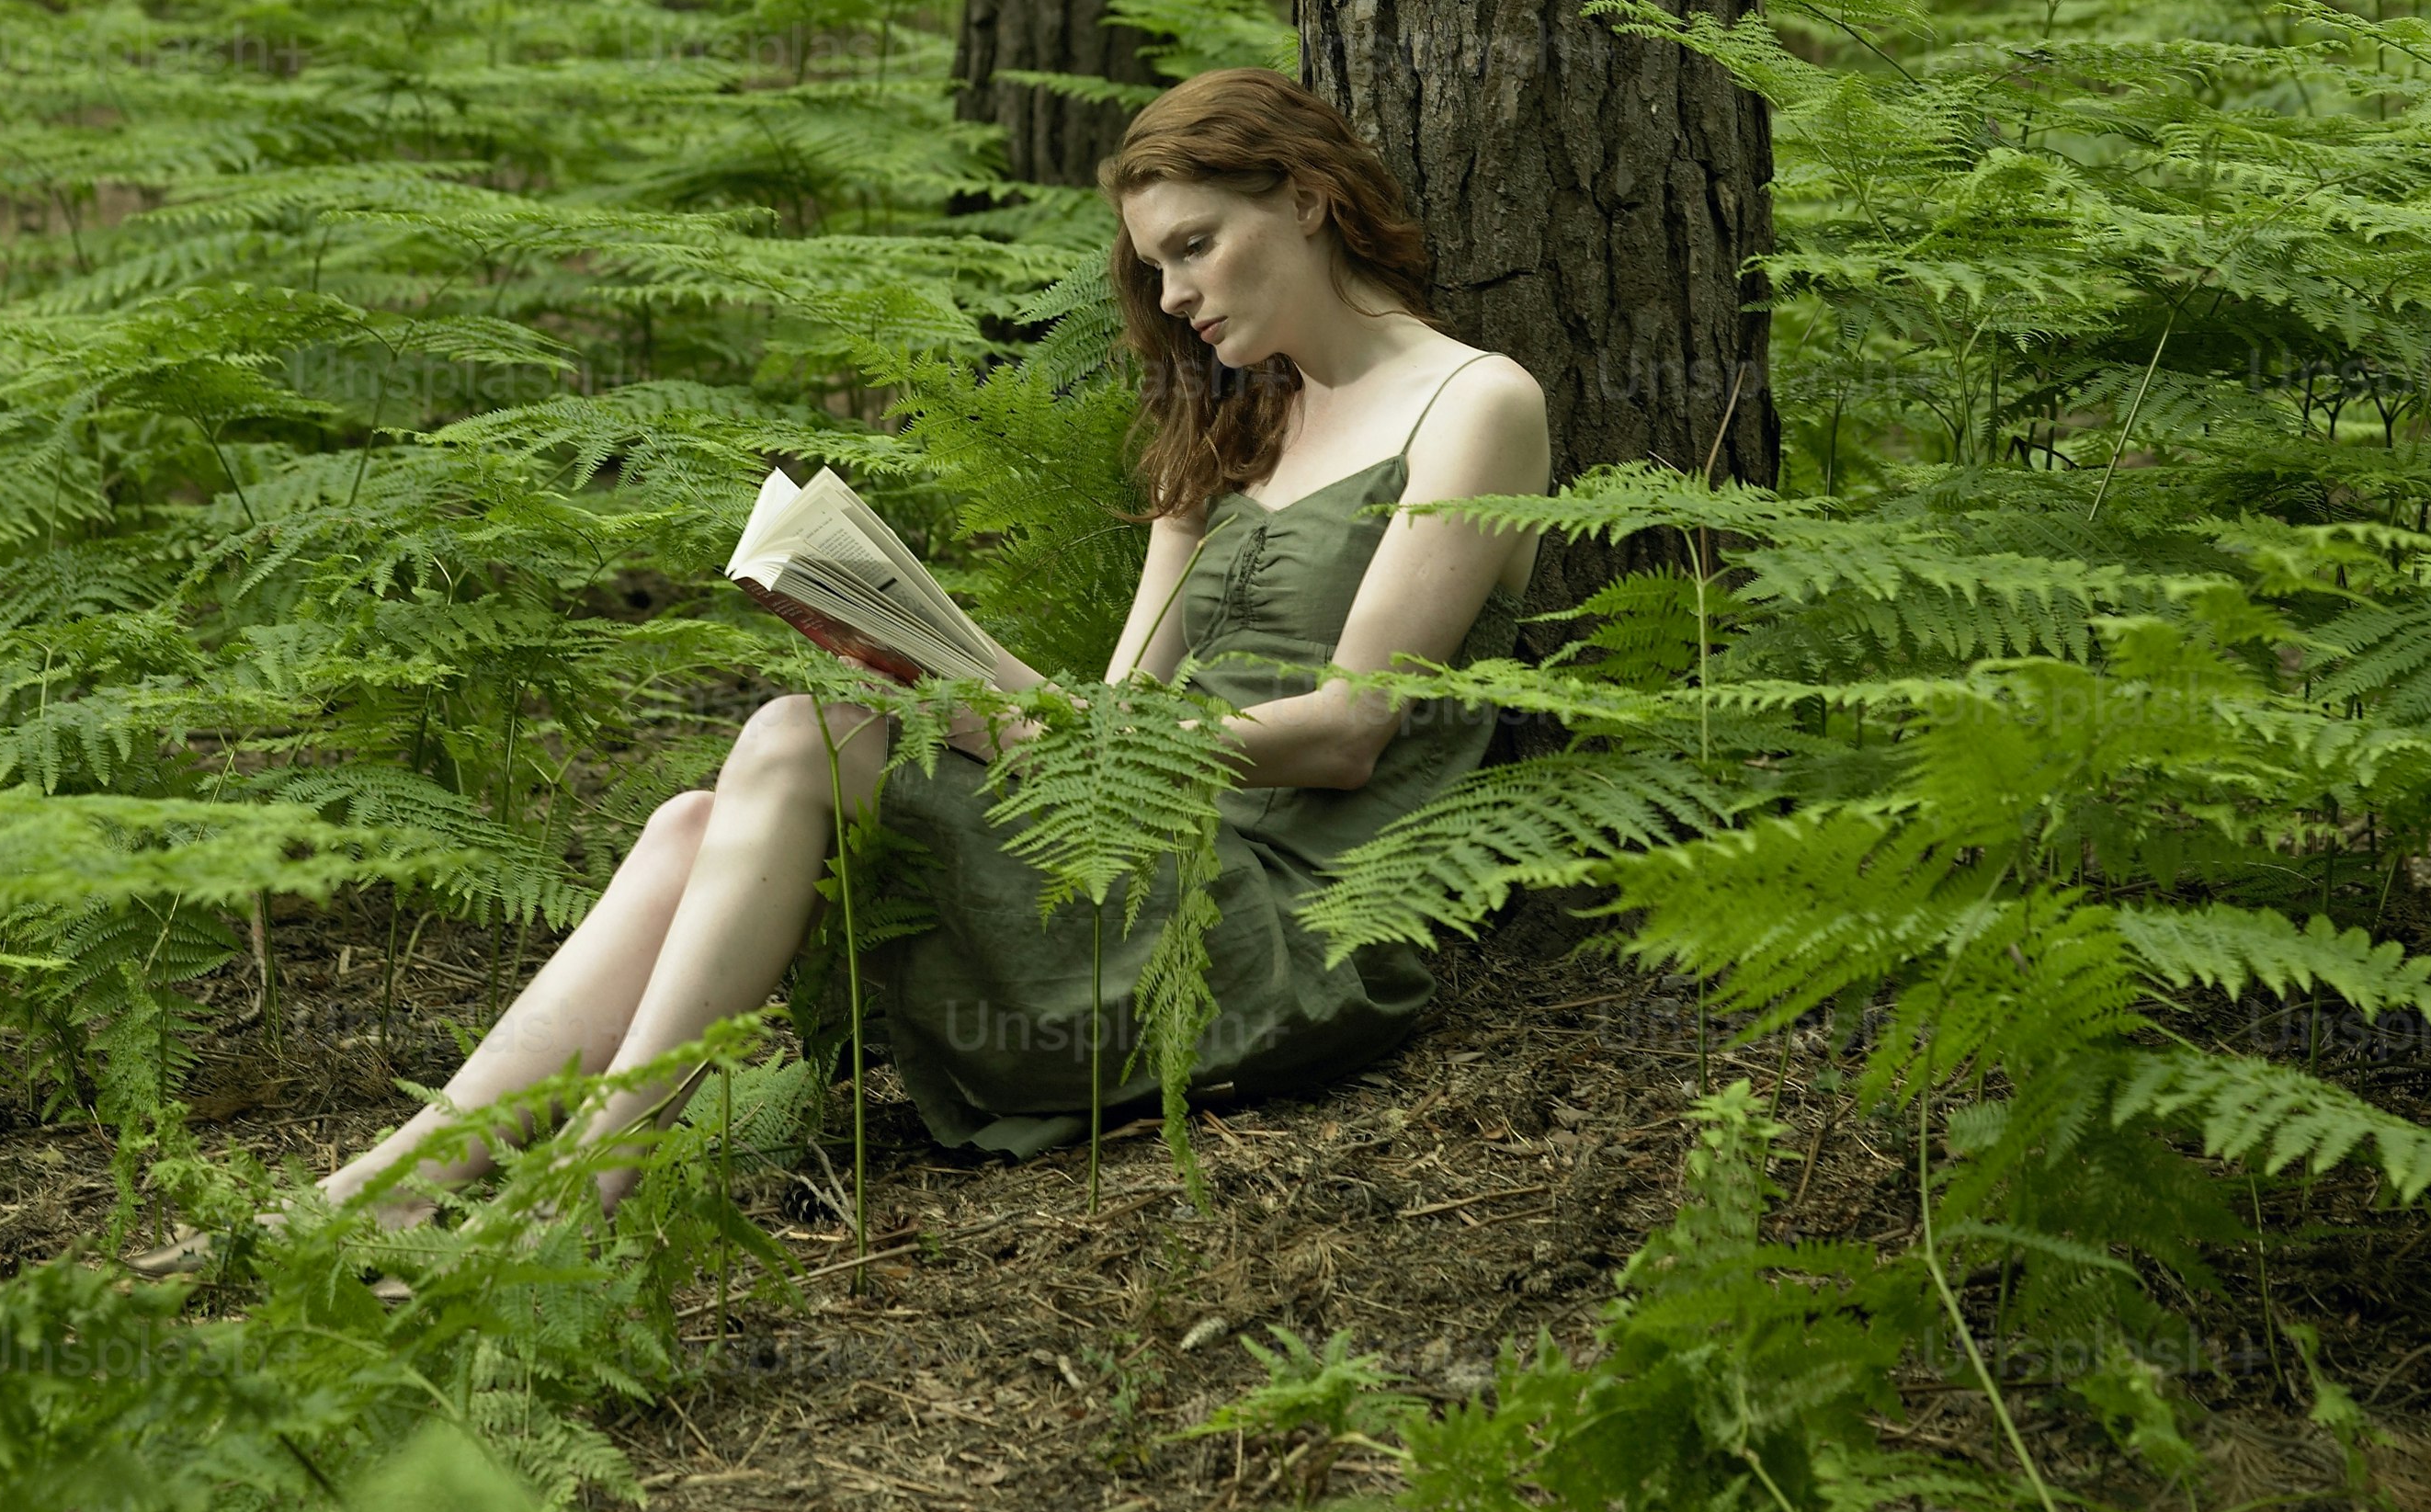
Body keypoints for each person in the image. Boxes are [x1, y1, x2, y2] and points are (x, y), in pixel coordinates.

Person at [312, 64, 1552, 1224]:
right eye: (1154, 264)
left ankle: (583, 1194)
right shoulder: (1240, 420)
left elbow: (1346, 735)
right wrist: (954, 674)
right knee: (697, 817)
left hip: (1293, 931)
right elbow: (1118, 705)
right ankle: (394, 1180)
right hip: (1140, 867)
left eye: (1194, 245)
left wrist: (1058, 734)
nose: (1172, 293)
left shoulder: (1474, 403)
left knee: (797, 737)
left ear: (1307, 197)